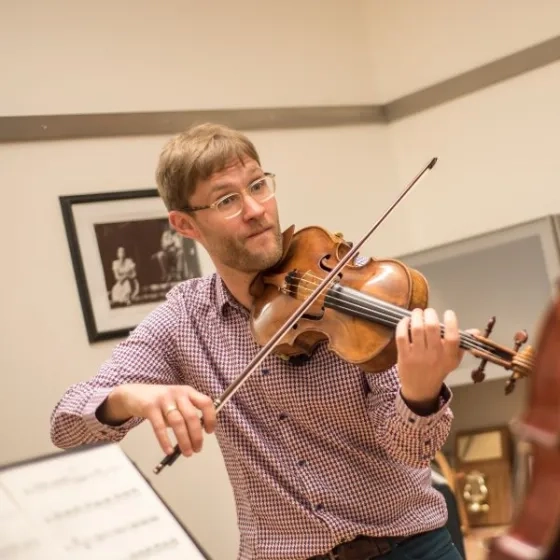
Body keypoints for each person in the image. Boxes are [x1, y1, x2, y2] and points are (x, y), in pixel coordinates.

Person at [50, 123, 469, 560]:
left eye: (258, 185)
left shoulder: (348, 295)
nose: (256, 209)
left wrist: (420, 396)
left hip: (412, 549)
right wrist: (129, 397)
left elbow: (414, 450)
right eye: (228, 199)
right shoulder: (183, 319)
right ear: (185, 224)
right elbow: (67, 426)